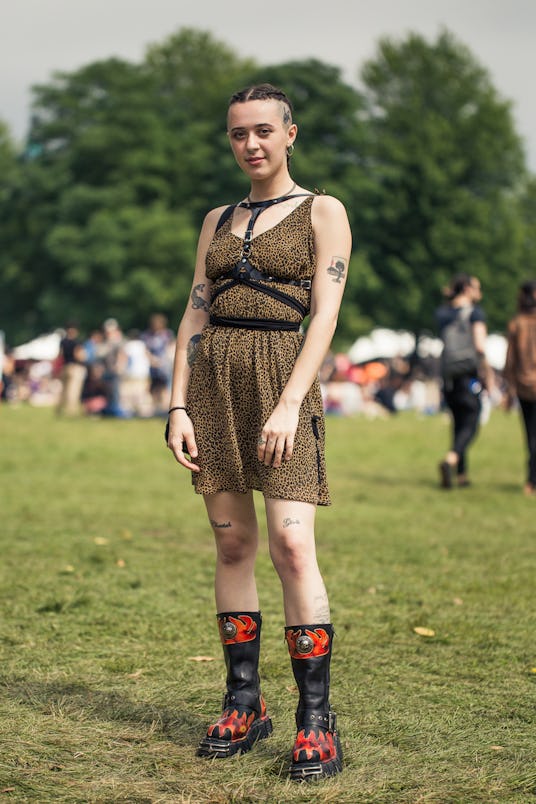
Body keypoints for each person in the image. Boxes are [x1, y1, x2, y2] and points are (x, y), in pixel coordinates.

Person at [166, 83, 351, 781]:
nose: (251, 144)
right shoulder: (217, 217)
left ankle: (316, 718)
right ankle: (244, 700)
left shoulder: (322, 211)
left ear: (290, 134)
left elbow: (325, 315)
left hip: (283, 377)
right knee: (234, 541)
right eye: (239, 133)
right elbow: (193, 315)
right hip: (213, 383)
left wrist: (288, 401)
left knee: (291, 544)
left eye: (263, 131)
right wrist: (177, 406)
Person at [435, 274, 491, 488]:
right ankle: (452, 458)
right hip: (469, 374)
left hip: (449, 376)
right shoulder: (475, 313)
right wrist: (486, 373)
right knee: (472, 421)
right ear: (468, 289)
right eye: (477, 287)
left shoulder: (442, 313)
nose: (480, 293)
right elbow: (479, 346)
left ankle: (461, 475)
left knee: (458, 422)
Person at [503, 279, 536, 497]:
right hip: (527, 388)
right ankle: (532, 480)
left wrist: (509, 389)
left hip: (525, 388)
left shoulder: (516, 323)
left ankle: (531, 481)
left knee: (531, 435)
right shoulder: (518, 324)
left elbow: (510, 362)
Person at [56, 322, 87, 416]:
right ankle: (71, 411)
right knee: (73, 390)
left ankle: (59, 409)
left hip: (65, 367)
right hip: (75, 368)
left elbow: (60, 355)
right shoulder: (77, 342)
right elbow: (79, 355)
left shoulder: (63, 341)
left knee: (63, 390)